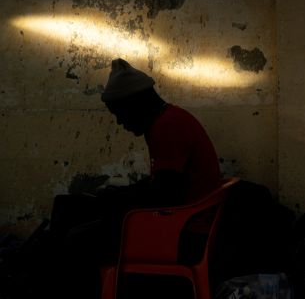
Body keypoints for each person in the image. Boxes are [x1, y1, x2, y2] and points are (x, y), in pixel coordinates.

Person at [47, 58, 222, 299]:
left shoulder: (167, 127)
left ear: (136, 103)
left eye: (120, 114)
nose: (120, 123)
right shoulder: (167, 119)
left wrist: (117, 200)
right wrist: (118, 195)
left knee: (76, 240)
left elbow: (165, 195)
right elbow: (162, 183)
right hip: (180, 219)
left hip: (181, 232)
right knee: (67, 206)